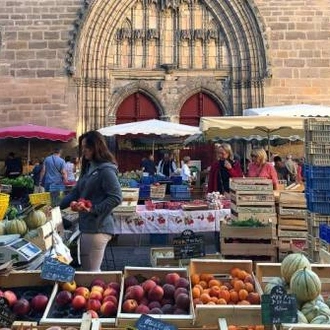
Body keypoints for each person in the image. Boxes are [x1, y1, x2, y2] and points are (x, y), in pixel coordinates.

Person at [60, 130, 122, 271]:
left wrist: (93, 209)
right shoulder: (88, 167)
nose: (84, 151)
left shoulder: (106, 170)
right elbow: (76, 192)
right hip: (87, 226)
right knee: (90, 273)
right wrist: (56, 206)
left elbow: (116, 197)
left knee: (91, 274)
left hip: (98, 228)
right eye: (82, 147)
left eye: (87, 147)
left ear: (96, 147)